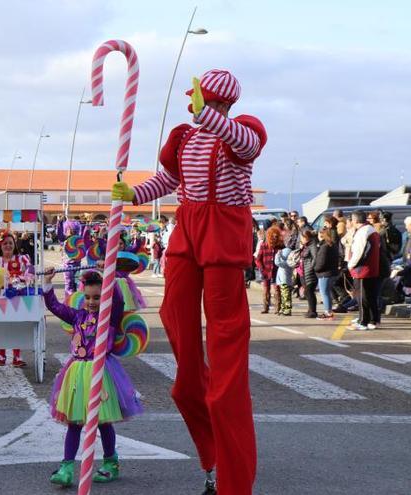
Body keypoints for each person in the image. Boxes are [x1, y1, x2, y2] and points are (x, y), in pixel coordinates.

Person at [112, 69, 266, 494]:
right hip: (187, 232)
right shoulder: (185, 136)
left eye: (205, 100)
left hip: (222, 232)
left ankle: (225, 417)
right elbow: (170, 181)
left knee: (226, 333)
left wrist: (210, 114)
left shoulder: (243, 130)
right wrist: (134, 196)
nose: (196, 107)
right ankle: (195, 389)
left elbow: (245, 145)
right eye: (196, 100)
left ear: (221, 102)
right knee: (174, 317)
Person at [42, 269, 142, 486]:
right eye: (87, 297)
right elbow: (54, 306)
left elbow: (118, 300)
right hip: (77, 374)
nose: (91, 301)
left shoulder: (109, 317)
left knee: (103, 423)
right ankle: (67, 467)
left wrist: (109, 276)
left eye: (97, 297)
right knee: (74, 423)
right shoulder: (77, 315)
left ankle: (110, 463)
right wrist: (48, 284)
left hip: (100, 372)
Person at [0, 231, 31, 367]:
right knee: (1, 325)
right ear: (0, 246)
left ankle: (16, 357)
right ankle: (1, 356)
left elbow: (30, 273)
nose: (8, 246)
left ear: (14, 245)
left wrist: (24, 277)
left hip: (18, 298)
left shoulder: (22, 259)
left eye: (11, 243)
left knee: (16, 325)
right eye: (5, 243)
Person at [347, 211, 381, 331]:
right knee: (370, 296)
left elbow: (359, 252)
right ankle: (374, 319)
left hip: (363, 270)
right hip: (370, 269)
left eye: (351, 219)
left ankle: (363, 321)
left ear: (355, 220)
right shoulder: (370, 229)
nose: (351, 222)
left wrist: (350, 265)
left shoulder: (363, 232)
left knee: (362, 297)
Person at [255, 226, 282, 314]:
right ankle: (266, 307)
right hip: (265, 271)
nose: (275, 238)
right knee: (266, 289)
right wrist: (261, 268)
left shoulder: (280, 246)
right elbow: (258, 259)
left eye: (276, 236)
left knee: (277, 289)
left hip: (276, 271)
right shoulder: (264, 245)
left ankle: (277, 308)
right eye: (273, 236)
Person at [314, 227, 340, 320]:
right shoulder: (333, 245)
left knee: (324, 292)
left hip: (325, 273)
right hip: (332, 272)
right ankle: (328, 311)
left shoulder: (324, 247)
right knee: (327, 292)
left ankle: (328, 312)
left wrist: (315, 269)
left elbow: (321, 262)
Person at [299, 230, 319, 318]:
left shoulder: (313, 245)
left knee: (309, 291)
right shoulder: (306, 246)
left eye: (302, 238)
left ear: (306, 238)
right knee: (307, 292)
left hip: (310, 272)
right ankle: (310, 310)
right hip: (304, 271)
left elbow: (315, 258)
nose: (301, 239)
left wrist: (311, 268)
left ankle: (313, 311)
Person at [275, 242, 294, 316]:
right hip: (285, 280)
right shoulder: (288, 261)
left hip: (284, 281)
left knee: (286, 296)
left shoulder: (286, 263)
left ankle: (287, 310)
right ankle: (284, 309)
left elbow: (277, 262)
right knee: (284, 295)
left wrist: (278, 254)